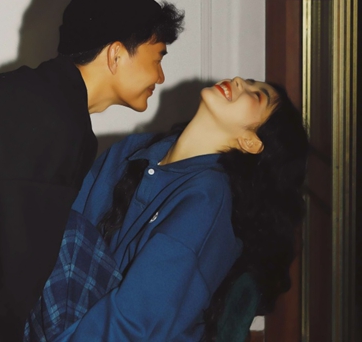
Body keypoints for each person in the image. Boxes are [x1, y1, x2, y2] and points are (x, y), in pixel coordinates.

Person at [0, 0, 184, 342]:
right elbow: (12, 274)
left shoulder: (41, 100)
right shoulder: (57, 125)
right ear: (116, 54)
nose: (160, 77)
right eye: (157, 57)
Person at [25, 77, 309, 341]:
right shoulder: (135, 149)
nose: (238, 81)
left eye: (256, 95)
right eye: (247, 81)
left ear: (250, 142)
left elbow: (136, 323)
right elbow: (52, 237)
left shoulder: (206, 201)